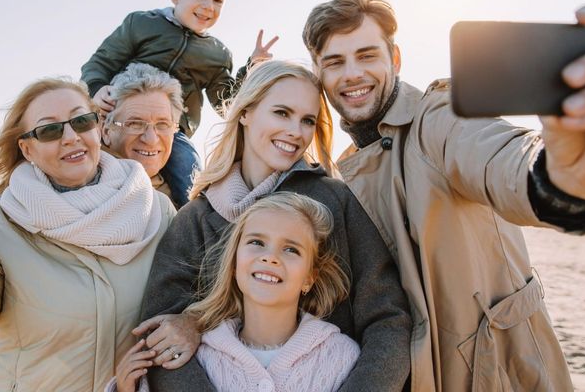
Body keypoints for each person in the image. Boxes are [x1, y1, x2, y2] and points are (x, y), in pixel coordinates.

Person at [302, 0, 585, 391]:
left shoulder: (439, 119)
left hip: (498, 376)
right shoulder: (342, 171)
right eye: (335, 62)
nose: (352, 73)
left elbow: (504, 160)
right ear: (320, 74)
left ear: (395, 58)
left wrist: (568, 174)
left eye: (367, 55)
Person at [135, 60, 412, 391]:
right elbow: (162, 335)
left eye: (307, 120)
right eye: (282, 113)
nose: (295, 131)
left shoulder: (337, 201)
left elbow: (387, 319)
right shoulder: (195, 218)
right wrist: (190, 322)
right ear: (246, 113)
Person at [0, 78, 176, 391]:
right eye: (49, 130)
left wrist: (187, 324)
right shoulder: (3, 222)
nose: (70, 137)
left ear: (98, 129)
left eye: (80, 122)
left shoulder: (156, 211)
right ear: (27, 148)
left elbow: (190, 302)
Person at [81, 0, 278, 208]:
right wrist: (97, 89)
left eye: (218, 0)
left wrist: (251, 68)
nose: (208, 6)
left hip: (173, 129)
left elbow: (225, 102)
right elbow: (101, 62)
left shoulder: (216, 54)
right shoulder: (142, 24)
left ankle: (195, 221)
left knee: (190, 170)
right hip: (120, 115)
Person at [112, 192, 361, 392]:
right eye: (257, 243)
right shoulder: (199, 355)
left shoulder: (342, 356)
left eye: (291, 249)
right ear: (233, 264)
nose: (270, 257)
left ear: (309, 278)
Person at [101, 63, 184, 203]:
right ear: (106, 132)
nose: (151, 139)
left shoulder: (187, 200)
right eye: (135, 124)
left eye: (162, 124)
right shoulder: (83, 192)